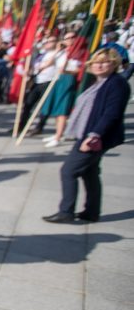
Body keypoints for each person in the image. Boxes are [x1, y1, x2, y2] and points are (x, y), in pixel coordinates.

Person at [43, 48, 130, 224]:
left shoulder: (117, 84)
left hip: (95, 137)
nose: (99, 65)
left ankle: (66, 212)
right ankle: (91, 211)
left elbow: (111, 113)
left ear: (114, 64)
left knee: (68, 171)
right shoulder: (101, 82)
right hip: (89, 133)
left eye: (105, 61)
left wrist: (94, 135)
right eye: (96, 62)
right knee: (89, 173)